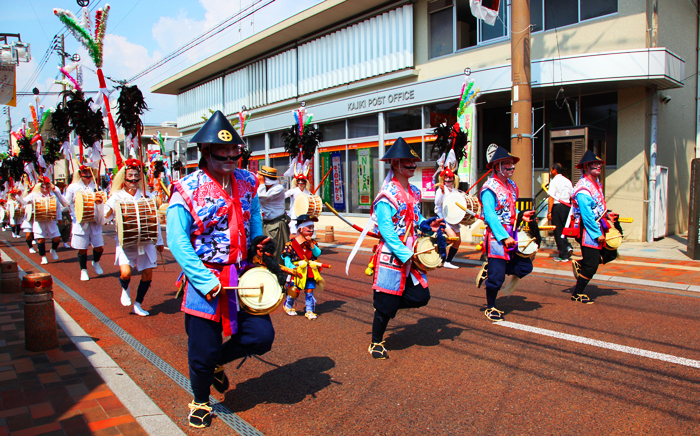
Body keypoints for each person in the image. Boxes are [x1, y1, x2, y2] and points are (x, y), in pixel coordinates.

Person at [166, 110, 275, 429]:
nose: (229, 157)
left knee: (261, 336)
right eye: (221, 153)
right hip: (206, 276)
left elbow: (253, 211)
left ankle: (217, 363)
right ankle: (200, 399)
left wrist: (257, 238)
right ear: (205, 152)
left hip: (241, 273)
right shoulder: (186, 189)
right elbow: (177, 240)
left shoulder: (246, 181)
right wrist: (202, 279)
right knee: (203, 349)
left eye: (234, 152)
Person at [366, 137, 442, 360]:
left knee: (421, 296)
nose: (413, 165)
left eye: (414, 161)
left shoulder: (415, 192)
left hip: (411, 252)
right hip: (393, 254)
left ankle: (384, 306)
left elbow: (416, 219)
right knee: (386, 300)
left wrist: (428, 224)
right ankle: (376, 342)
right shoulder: (386, 196)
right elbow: (387, 231)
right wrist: (404, 253)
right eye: (407, 161)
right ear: (396, 163)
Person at [477, 146, 534, 322]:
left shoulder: (511, 185)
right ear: (496, 166)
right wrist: (504, 236)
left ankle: (492, 269)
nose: (511, 167)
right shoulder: (489, 188)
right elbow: (491, 215)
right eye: (507, 164)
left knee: (525, 266)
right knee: (497, 278)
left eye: (512, 164)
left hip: (512, 233)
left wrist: (521, 215)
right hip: (497, 236)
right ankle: (491, 306)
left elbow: (510, 208)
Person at [104, 159, 164, 316]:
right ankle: (125, 287)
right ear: (124, 179)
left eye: (136, 176)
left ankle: (138, 304)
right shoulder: (117, 196)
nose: (133, 180)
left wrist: (159, 241)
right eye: (130, 176)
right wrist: (102, 207)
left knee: (148, 274)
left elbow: (154, 219)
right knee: (125, 274)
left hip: (145, 240)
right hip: (126, 242)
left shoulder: (146, 195)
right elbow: (104, 218)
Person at [569, 151, 619, 304]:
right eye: (594, 164)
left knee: (611, 253)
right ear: (585, 167)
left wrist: (607, 215)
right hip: (587, 229)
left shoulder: (596, 184)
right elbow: (587, 215)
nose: (598, 166)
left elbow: (597, 208)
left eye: (599, 164)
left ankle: (581, 264)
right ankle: (577, 293)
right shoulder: (583, 189)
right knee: (592, 265)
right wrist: (597, 234)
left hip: (598, 225)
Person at [65, 165, 105, 281]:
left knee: (99, 247)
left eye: (89, 173)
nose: (87, 176)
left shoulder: (96, 187)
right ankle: (83, 270)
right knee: (83, 248)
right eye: (85, 173)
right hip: (80, 222)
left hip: (94, 222)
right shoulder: (73, 187)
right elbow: (65, 203)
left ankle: (96, 262)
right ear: (80, 173)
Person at [282, 214, 324, 320]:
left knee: (309, 291)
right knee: (294, 290)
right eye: (309, 227)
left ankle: (309, 310)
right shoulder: (291, 244)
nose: (311, 230)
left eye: (312, 227)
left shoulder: (312, 243)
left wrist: (310, 243)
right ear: (300, 228)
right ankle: (288, 306)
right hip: (297, 270)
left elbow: (318, 253)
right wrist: (292, 267)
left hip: (309, 270)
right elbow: (286, 258)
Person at [20, 177, 69, 265]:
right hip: (39, 221)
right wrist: (17, 196)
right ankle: (43, 257)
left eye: (47, 185)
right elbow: (23, 202)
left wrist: (59, 218)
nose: (45, 188)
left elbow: (60, 207)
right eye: (43, 186)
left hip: (51, 220)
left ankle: (53, 250)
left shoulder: (53, 194)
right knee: (41, 240)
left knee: (57, 238)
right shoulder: (34, 194)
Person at [257, 166, 289, 262]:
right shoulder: (265, 188)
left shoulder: (278, 188)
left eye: (262, 177)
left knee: (275, 252)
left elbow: (261, 196)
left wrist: (261, 184)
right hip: (266, 224)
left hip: (276, 225)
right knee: (264, 251)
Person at [433, 167, 461, 268]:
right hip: (443, 216)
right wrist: (442, 192)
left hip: (453, 217)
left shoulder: (455, 191)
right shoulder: (440, 190)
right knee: (453, 238)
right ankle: (438, 248)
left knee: (458, 242)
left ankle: (447, 261)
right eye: (446, 177)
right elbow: (437, 203)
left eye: (450, 178)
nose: (448, 180)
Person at [547, 163, 573, 262]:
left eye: (551, 169)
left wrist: (549, 212)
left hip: (557, 207)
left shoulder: (554, 181)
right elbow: (572, 196)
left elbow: (551, 198)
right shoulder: (568, 181)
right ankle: (568, 247)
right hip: (567, 207)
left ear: (555, 170)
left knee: (558, 231)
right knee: (564, 230)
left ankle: (563, 255)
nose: (551, 172)